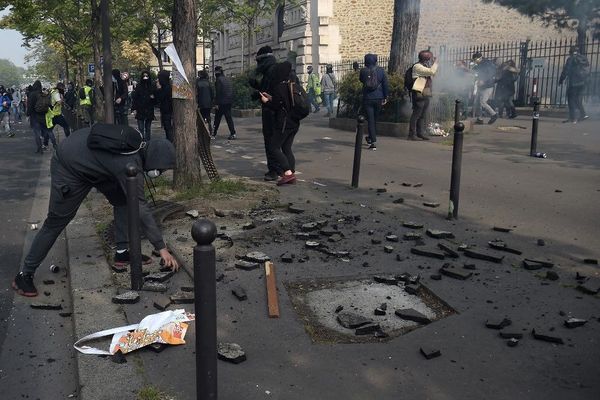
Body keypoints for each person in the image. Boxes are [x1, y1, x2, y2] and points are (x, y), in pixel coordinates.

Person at [11, 123, 179, 297]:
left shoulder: (136, 144)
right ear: (154, 161)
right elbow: (140, 207)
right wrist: (162, 248)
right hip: (69, 167)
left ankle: (122, 253)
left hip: (93, 164)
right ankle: (25, 274)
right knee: (56, 221)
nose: (159, 173)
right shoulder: (130, 164)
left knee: (122, 200)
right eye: (160, 170)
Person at [258, 61, 301, 186]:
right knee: (286, 147)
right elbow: (283, 102)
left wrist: (266, 101)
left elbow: (276, 106)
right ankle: (291, 173)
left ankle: (287, 173)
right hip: (294, 122)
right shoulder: (292, 85)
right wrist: (271, 98)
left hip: (284, 123)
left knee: (273, 147)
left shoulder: (279, 87)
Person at [249, 45, 280, 181]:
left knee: (270, 141)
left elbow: (267, 93)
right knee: (278, 142)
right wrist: (257, 86)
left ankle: (273, 170)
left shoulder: (270, 72)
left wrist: (258, 92)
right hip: (278, 111)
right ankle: (282, 169)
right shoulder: (274, 70)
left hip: (270, 111)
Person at [359, 53, 389, 150]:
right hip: (379, 97)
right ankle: (371, 137)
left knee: (370, 119)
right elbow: (385, 84)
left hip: (368, 98)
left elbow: (361, 80)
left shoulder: (363, 71)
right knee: (374, 119)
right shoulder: (381, 71)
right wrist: (385, 96)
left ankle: (373, 140)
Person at [408, 50, 438, 141]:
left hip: (425, 91)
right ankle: (411, 134)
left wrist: (433, 64)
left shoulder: (424, 66)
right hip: (419, 92)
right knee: (416, 114)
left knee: (423, 114)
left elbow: (433, 73)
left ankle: (420, 133)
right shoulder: (417, 66)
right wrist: (436, 63)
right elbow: (432, 72)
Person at [559, 46, 590, 123]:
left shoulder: (571, 59)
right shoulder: (583, 58)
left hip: (574, 83)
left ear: (570, 52)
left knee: (571, 100)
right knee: (578, 99)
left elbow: (566, 70)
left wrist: (561, 80)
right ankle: (583, 114)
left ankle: (573, 118)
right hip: (583, 82)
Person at [472, 52, 499, 125]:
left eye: (475, 59)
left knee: (483, 102)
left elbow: (490, 74)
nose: (474, 61)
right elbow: (477, 72)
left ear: (480, 58)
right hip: (481, 86)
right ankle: (479, 119)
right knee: (477, 103)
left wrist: (484, 80)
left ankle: (494, 114)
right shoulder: (480, 64)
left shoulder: (487, 64)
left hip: (488, 86)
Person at [131, 70, 156, 141]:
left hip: (149, 109)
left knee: (148, 128)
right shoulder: (139, 86)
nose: (145, 78)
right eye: (144, 76)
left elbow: (155, 99)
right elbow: (135, 98)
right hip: (140, 109)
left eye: (146, 76)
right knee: (140, 128)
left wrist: (153, 98)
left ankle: (148, 142)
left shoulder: (152, 86)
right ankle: (141, 141)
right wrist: (134, 108)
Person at [213, 66, 236, 140]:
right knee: (229, 118)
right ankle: (233, 133)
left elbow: (218, 92)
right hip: (229, 101)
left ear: (216, 72)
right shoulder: (227, 79)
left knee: (217, 119)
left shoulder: (218, 80)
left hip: (221, 102)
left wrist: (216, 103)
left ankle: (214, 133)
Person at [26, 80, 45, 153]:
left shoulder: (32, 94)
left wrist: (28, 114)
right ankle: (45, 143)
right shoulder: (42, 93)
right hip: (43, 115)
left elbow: (30, 106)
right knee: (44, 130)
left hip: (34, 115)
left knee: (36, 132)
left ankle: (39, 147)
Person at [155, 70, 173, 142]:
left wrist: (158, 89)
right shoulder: (168, 86)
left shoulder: (166, 87)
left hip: (167, 109)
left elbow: (161, 97)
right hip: (166, 109)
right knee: (167, 127)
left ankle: (170, 141)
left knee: (168, 127)